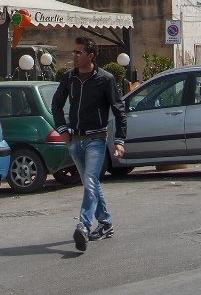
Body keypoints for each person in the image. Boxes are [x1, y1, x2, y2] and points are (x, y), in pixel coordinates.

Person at [51, 36, 127, 252]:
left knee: (91, 180)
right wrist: (62, 129)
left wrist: (119, 140)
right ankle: (105, 223)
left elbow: (119, 109)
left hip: (95, 139)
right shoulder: (69, 78)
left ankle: (83, 226)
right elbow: (56, 103)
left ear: (90, 56)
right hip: (75, 139)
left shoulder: (105, 79)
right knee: (89, 184)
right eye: (73, 52)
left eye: (78, 53)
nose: (73, 56)